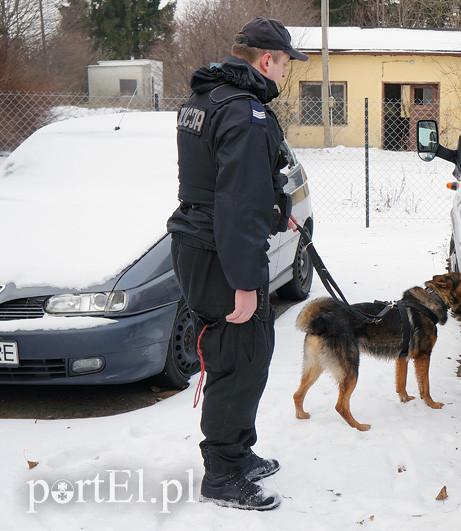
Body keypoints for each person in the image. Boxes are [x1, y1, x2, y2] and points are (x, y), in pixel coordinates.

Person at [166, 17, 308, 511]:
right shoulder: (245, 113)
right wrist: (246, 283)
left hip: (203, 244)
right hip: (220, 254)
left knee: (249, 351)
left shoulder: (204, 99)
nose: (286, 73)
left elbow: (222, 183)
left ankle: (238, 453)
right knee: (236, 359)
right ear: (268, 60)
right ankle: (223, 474)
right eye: (287, 62)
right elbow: (237, 203)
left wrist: (279, 210)